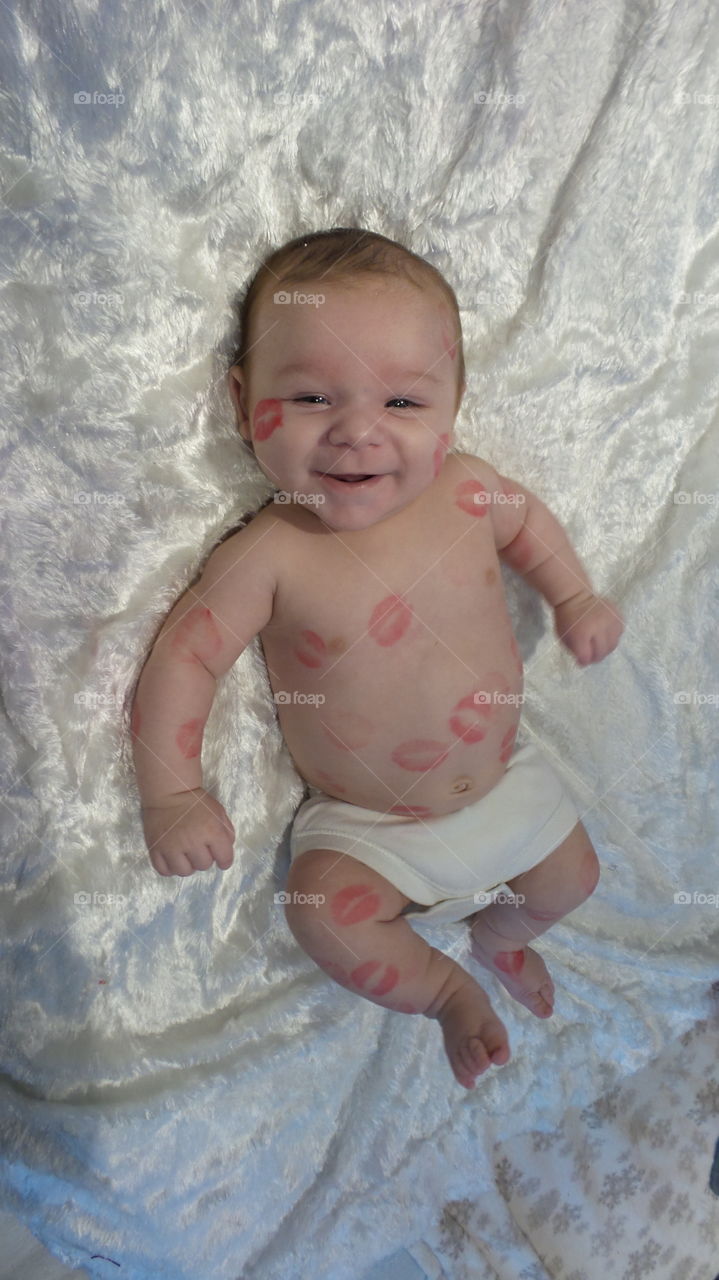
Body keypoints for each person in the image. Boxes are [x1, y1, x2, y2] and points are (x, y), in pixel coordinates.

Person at [131, 227, 624, 1090]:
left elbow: (528, 526)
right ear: (245, 402)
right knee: (317, 909)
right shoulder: (272, 550)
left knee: (573, 877)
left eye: (402, 403)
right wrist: (172, 793)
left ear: (454, 403)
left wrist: (573, 596)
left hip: (505, 784)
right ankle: (444, 992)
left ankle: (503, 939)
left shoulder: (467, 488)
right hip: (368, 826)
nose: (358, 433)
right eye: (314, 398)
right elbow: (187, 658)